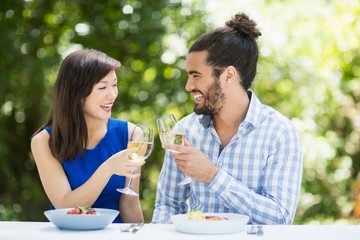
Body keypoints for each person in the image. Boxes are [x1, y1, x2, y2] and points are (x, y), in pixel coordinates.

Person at [152, 12, 302, 224]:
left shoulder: (279, 133)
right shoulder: (183, 130)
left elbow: (280, 217)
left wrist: (213, 176)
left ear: (228, 76)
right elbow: (167, 204)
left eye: (196, 75)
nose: (188, 86)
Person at [31, 49, 145, 223]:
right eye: (102, 87)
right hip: (67, 235)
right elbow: (65, 207)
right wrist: (108, 168)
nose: (112, 94)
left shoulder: (132, 134)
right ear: (76, 92)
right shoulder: (43, 141)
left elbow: (129, 204)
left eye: (114, 85)